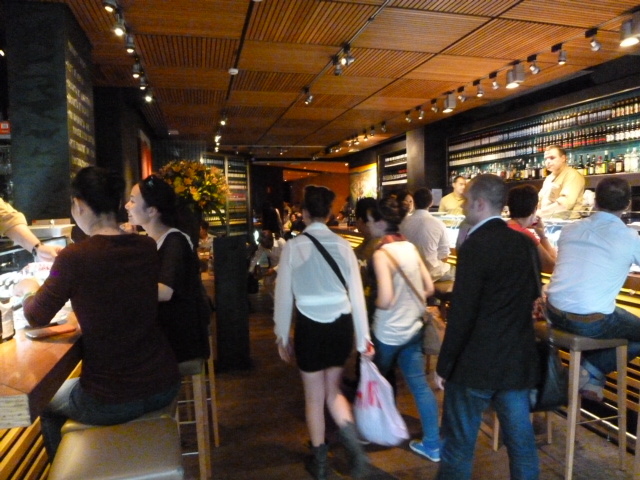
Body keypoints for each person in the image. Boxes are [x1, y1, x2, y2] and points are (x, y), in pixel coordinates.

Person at [14, 167, 180, 458]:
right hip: (163, 384)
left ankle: (76, 469)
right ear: (117, 204)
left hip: (111, 397)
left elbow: (36, 315)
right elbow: (118, 295)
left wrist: (28, 289)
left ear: (78, 205)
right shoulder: (146, 246)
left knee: (44, 405)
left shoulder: (74, 257)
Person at [435, 174, 541, 480]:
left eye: (467, 200)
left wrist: (445, 364)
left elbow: (463, 313)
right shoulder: (525, 243)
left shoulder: (474, 245)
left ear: (480, 203)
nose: (463, 205)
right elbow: (534, 295)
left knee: (459, 446)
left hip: (475, 362)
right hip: (516, 360)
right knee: (522, 445)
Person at [273, 185, 373, 480]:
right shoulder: (344, 246)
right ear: (329, 214)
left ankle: (319, 463)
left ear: (304, 214)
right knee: (334, 391)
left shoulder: (293, 247)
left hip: (309, 327)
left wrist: (282, 334)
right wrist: (363, 338)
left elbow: (283, 295)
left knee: (314, 397)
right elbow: (357, 295)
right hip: (341, 326)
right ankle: (353, 446)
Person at [545, 176, 640, 402]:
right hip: (590, 322)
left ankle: (592, 380)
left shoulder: (570, 229)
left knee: (611, 314)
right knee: (616, 322)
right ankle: (591, 369)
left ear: (595, 201)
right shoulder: (629, 237)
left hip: (553, 312)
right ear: (627, 205)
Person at [368, 195, 440, 462]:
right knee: (419, 386)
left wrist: (371, 302)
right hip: (413, 329)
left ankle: (374, 430)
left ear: (380, 222)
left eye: (370, 220)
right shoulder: (409, 247)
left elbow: (385, 299)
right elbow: (429, 288)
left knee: (374, 381)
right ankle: (433, 444)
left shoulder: (382, 254)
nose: (368, 225)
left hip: (387, 333)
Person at [125, 174, 210, 363]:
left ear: (152, 210)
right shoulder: (150, 240)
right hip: (162, 332)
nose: (126, 206)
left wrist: (120, 290)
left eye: (132, 201)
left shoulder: (175, 241)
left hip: (179, 339)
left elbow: (164, 291)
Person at [400, 187, 454, 282]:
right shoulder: (439, 224)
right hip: (432, 273)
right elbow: (444, 256)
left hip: (408, 272)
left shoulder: (403, 223)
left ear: (414, 203)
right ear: (431, 203)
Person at [507, 184, 556, 273]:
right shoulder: (525, 235)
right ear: (534, 209)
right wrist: (542, 236)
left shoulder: (501, 227)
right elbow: (551, 266)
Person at [537, 145, 585, 220]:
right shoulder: (548, 178)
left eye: (552, 158)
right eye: (546, 159)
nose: (548, 162)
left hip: (567, 223)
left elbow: (565, 204)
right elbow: (539, 201)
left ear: (563, 158)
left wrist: (540, 213)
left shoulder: (572, 175)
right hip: (547, 222)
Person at [248, 229, 286, 300]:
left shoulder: (281, 242)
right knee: (267, 283)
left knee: (277, 283)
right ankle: (276, 300)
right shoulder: (263, 245)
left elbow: (287, 260)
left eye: (264, 244)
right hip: (274, 265)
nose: (263, 246)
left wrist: (274, 269)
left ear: (270, 241)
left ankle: (283, 300)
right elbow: (256, 258)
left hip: (285, 266)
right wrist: (250, 270)